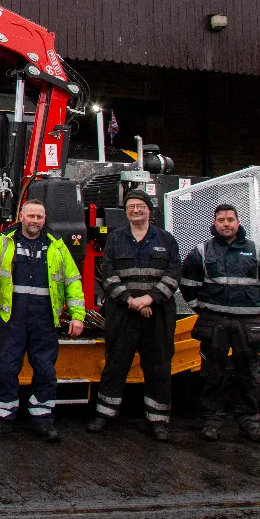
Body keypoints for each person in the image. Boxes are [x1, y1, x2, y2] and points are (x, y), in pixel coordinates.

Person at [0, 198, 85, 442]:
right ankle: (3, 417)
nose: (35, 221)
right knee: (6, 370)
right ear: (22, 217)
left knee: (46, 370)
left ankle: (43, 419)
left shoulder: (56, 247)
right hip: (11, 318)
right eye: (31, 216)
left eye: (39, 217)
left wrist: (78, 316)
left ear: (44, 219)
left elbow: (73, 281)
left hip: (44, 319)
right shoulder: (4, 243)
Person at [87, 188, 182, 441]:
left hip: (158, 314)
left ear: (150, 210)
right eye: (130, 207)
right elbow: (108, 275)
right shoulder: (116, 239)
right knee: (116, 364)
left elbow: (173, 275)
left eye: (140, 206)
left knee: (159, 366)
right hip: (123, 313)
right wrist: (132, 301)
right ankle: (105, 414)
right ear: (126, 212)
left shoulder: (167, 240)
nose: (135, 211)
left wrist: (149, 299)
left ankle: (158, 420)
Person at [180, 204, 260, 444]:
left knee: (247, 375)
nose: (226, 224)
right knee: (213, 375)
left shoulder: (256, 251)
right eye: (221, 220)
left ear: (238, 222)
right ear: (214, 223)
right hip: (215, 322)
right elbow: (188, 284)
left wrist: (256, 308)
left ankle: (249, 423)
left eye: (230, 219)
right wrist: (202, 309)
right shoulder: (201, 252)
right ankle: (211, 421)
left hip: (247, 323)